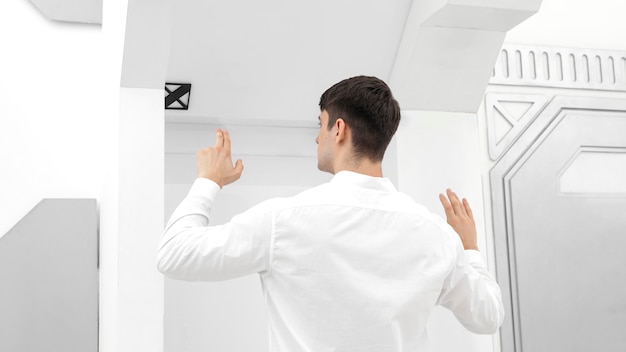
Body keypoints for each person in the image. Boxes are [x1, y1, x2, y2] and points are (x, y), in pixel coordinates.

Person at [157, 76, 504, 351]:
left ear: (338, 129)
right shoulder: (436, 235)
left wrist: (208, 181)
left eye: (320, 124)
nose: (316, 138)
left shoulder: (284, 220)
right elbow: (488, 317)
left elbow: (174, 255)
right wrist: (469, 248)